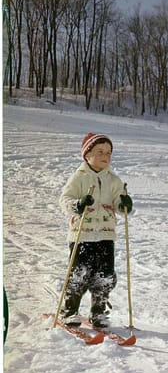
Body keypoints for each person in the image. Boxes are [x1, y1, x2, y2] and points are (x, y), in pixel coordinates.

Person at [58, 133, 133, 328]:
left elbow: (119, 203)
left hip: (106, 234)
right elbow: (65, 200)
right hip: (82, 234)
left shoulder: (114, 180)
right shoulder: (79, 177)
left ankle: (98, 312)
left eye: (108, 152)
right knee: (79, 273)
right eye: (100, 151)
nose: (105, 156)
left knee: (105, 274)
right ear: (87, 154)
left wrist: (124, 204)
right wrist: (78, 204)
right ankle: (69, 310)